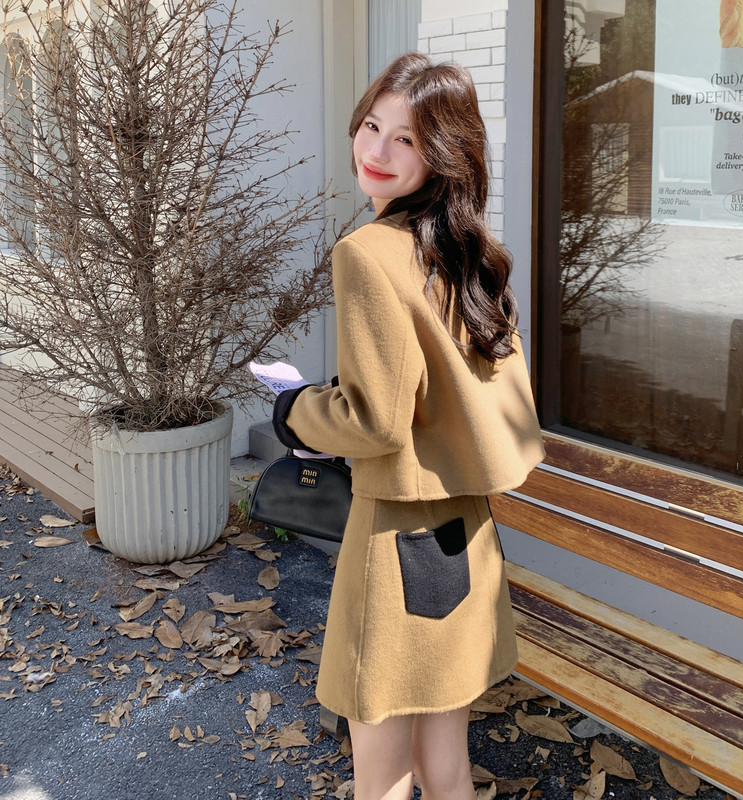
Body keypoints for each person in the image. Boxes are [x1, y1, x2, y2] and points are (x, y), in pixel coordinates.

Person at [272, 52, 545, 800]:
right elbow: (455, 396)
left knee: (382, 775)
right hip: (466, 537)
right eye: (371, 125)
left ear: (443, 155)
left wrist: (294, 410)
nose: (377, 150)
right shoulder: (470, 255)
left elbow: (376, 422)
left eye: (407, 139)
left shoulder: (368, 253)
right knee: (445, 763)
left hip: (395, 543)